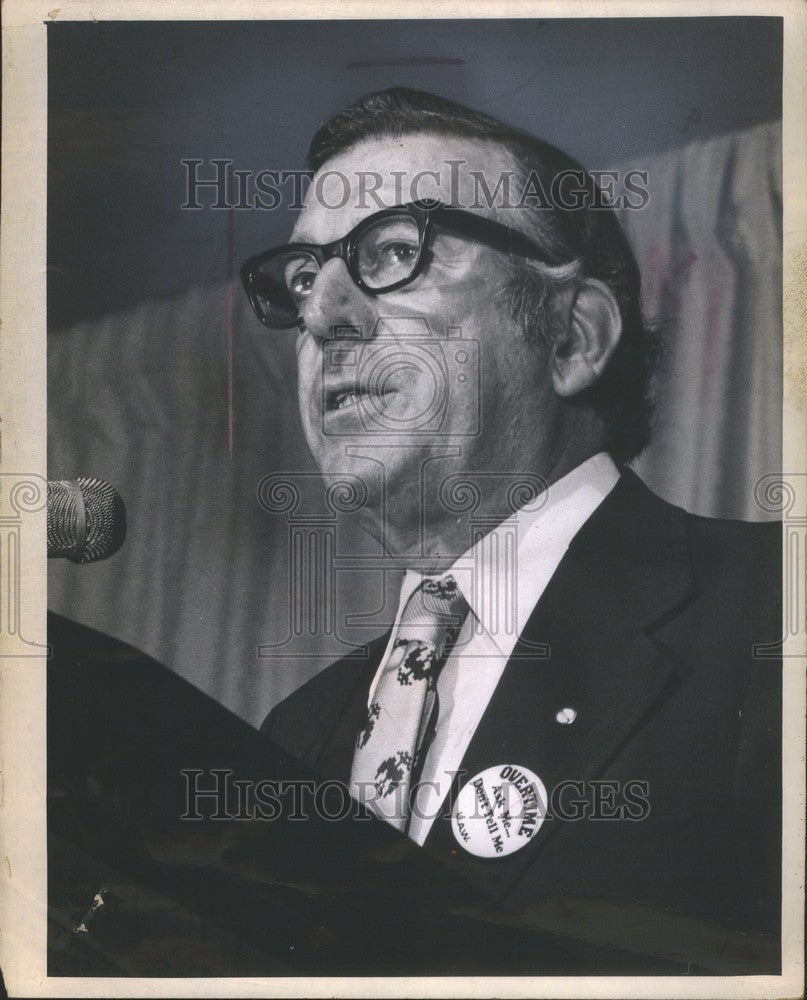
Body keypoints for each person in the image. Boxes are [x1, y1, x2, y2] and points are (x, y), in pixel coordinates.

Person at [240, 88, 781, 969]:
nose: (322, 318)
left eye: (393, 251)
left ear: (570, 338)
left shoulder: (773, 613)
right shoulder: (297, 733)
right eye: (303, 279)